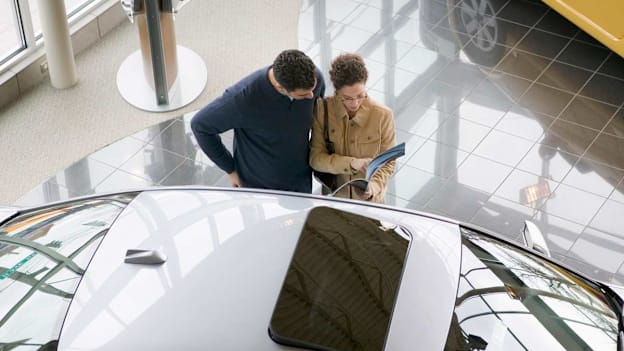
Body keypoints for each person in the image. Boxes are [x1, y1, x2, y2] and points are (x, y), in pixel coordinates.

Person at [191, 49, 325, 193]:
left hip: (301, 180)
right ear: (281, 87)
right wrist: (230, 168)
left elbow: (319, 118)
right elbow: (200, 125)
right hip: (259, 186)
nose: (311, 95)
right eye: (303, 94)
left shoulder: (314, 80)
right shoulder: (242, 99)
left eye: (312, 89)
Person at [309, 53, 396, 203]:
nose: (354, 103)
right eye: (347, 98)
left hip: (371, 203)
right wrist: (352, 163)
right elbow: (316, 159)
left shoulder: (383, 115)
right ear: (337, 91)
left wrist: (373, 188)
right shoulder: (323, 110)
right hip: (336, 200)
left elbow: (389, 163)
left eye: (360, 95)